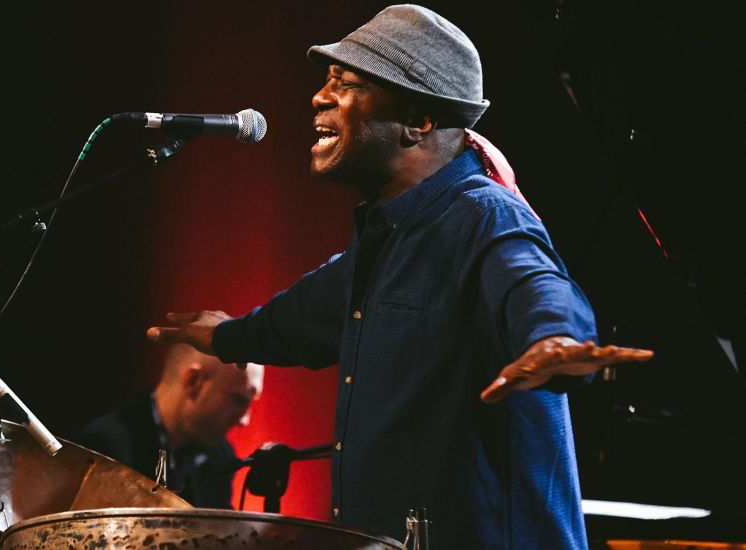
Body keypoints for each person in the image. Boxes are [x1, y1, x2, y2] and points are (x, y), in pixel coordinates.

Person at [147, 4, 653, 547]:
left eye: (347, 83)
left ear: (418, 121)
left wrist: (555, 337)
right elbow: (297, 319)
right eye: (327, 80)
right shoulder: (384, 241)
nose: (320, 97)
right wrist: (226, 335)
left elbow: (534, 283)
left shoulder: (485, 216)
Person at [77, 343, 263, 508]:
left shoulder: (220, 456)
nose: (244, 421)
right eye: (238, 399)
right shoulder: (105, 449)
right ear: (194, 382)